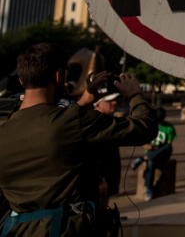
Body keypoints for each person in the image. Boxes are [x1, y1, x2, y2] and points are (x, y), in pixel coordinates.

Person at [0, 43, 158, 237]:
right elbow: (144, 128)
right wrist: (134, 94)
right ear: (59, 77)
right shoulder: (73, 121)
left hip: (17, 230)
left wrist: (83, 102)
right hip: (66, 229)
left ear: (22, 81)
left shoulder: (5, 130)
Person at [132, 108, 176, 201]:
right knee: (151, 163)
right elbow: (142, 141)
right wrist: (145, 145)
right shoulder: (150, 126)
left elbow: (169, 144)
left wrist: (156, 148)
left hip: (162, 154)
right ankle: (149, 188)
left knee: (167, 147)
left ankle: (143, 159)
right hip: (151, 152)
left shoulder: (169, 127)